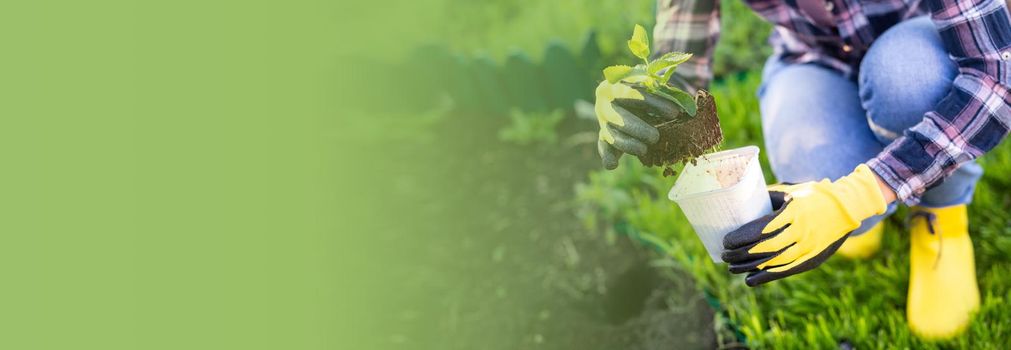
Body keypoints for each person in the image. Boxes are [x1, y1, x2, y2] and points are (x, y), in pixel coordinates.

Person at [594, 0, 1011, 340]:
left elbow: (997, 76)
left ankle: (941, 218)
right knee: (813, 163)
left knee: (910, 79)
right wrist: (645, 101)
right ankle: (877, 206)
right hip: (815, 59)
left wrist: (860, 195)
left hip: (921, 48)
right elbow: (681, 60)